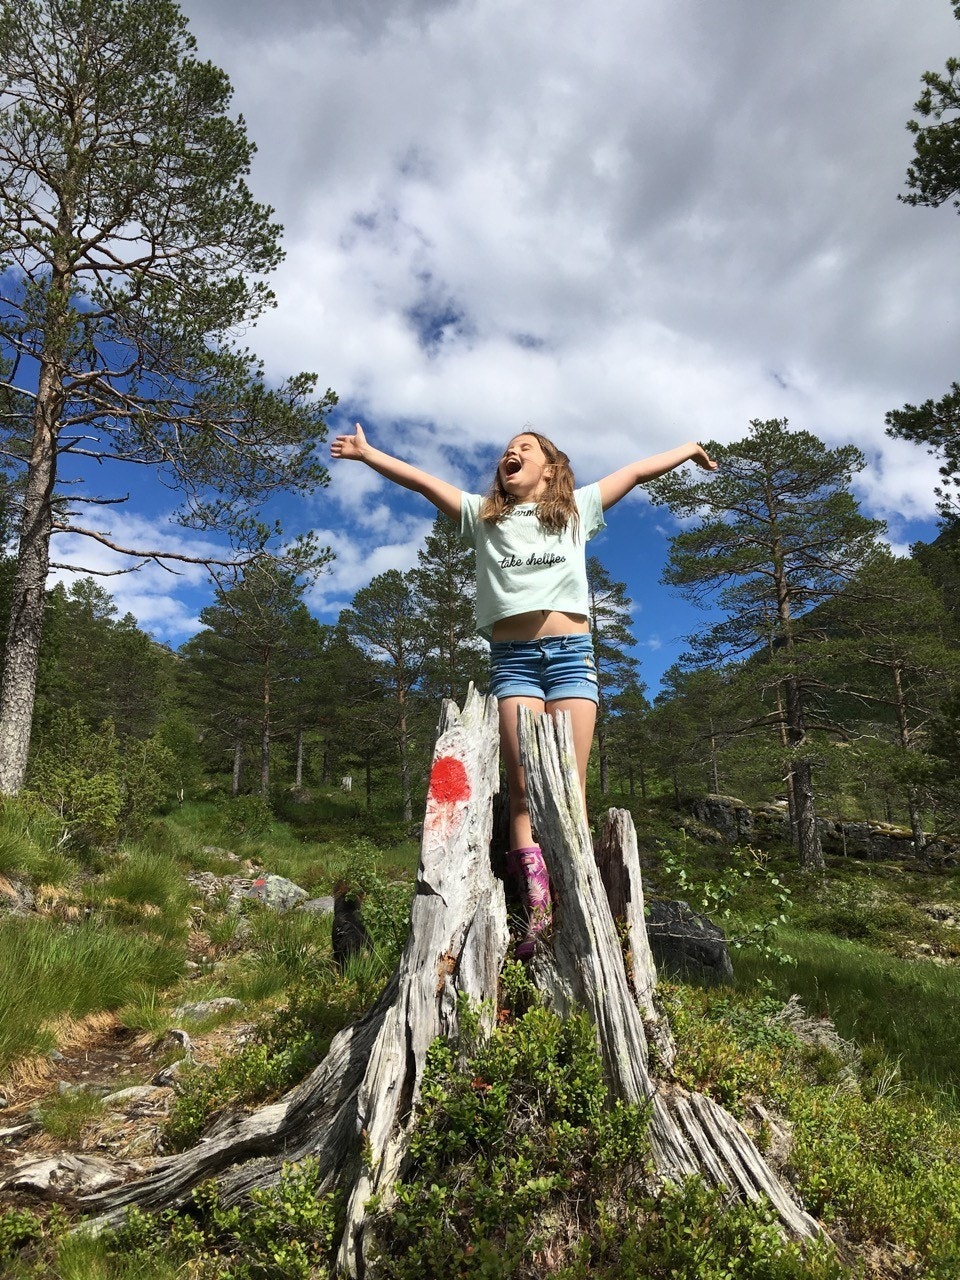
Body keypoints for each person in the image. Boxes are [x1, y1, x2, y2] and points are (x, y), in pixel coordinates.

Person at [332, 422, 717, 957]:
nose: (511, 454)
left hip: (571, 661)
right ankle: (538, 912)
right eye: (506, 451)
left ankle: (576, 898)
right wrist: (369, 454)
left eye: (525, 449)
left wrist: (689, 450)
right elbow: (422, 482)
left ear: (551, 469)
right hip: (513, 664)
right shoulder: (482, 518)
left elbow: (633, 471)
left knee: (569, 791)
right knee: (523, 793)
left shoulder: (576, 510)